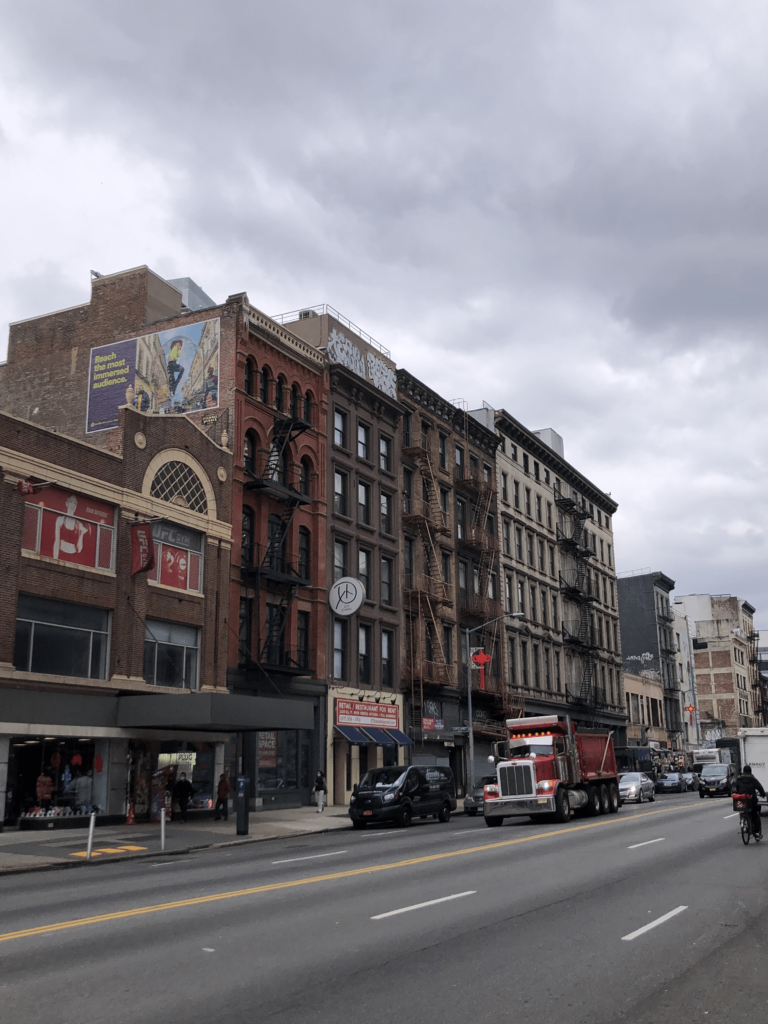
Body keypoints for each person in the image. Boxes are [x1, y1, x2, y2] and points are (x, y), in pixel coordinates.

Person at [735, 765, 765, 838]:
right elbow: (760, 788)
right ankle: (757, 832)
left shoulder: (739, 779)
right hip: (751, 801)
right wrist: (763, 794)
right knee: (755, 815)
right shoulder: (753, 779)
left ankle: (743, 821)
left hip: (741, 801)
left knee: (742, 812)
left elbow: (736, 789)